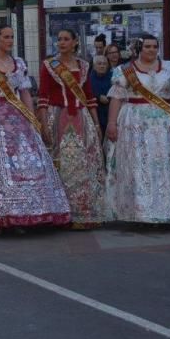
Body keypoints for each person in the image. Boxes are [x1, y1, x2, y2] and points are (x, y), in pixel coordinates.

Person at [0, 25, 70, 231]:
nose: (10, 40)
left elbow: (25, 93)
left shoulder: (18, 63)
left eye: (11, 37)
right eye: (6, 37)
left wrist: (32, 119)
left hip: (17, 118)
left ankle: (24, 213)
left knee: (26, 164)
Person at [106, 35, 170, 224]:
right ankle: (140, 210)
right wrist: (112, 123)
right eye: (147, 46)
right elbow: (116, 97)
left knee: (169, 164)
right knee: (139, 165)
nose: (152, 50)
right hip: (135, 122)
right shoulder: (125, 70)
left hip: (168, 124)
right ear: (139, 48)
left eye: (155, 46)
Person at [36, 30, 106, 228]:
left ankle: (84, 212)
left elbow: (89, 95)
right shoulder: (49, 65)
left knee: (85, 164)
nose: (61, 42)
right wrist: (42, 123)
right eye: (59, 39)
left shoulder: (84, 65)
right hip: (57, 117)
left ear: (75, 42)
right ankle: (61, 212)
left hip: (81, 118)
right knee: (62, 163)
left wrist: (96, 123)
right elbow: (43, 96)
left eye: (66, 39)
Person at [89, 55, 112, 133]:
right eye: (99, 64)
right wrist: (98, 97)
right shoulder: (88, 79)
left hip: (110, 114)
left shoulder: (113, 77)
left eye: (104, 64)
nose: (102, 66)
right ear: (94, 66)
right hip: (95, 114)